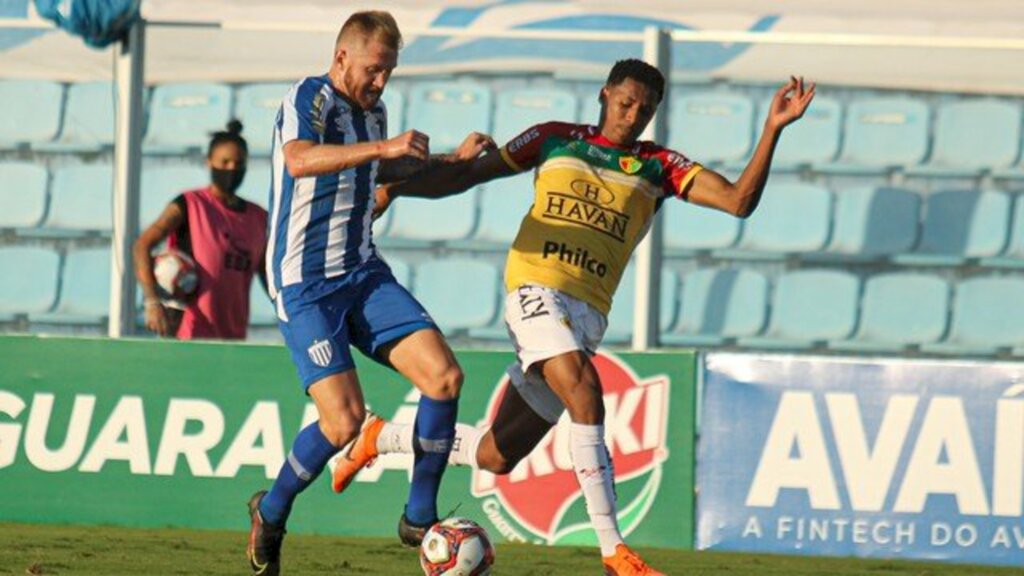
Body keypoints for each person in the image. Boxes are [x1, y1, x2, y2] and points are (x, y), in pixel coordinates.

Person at [332, 60, 816, 575]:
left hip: (586, 317)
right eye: (626, 102)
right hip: (535, 289)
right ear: (605, 95)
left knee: (498, 454)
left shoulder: (658, 167)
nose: (633, 116)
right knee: (585, 393)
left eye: (645, 109)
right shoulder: (554, 139)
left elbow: (739, 202)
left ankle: (379, 436)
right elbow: (469, 175)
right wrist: (396, 186)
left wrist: (771, 129)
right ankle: (613, 550)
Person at [245, 11, 495, 576]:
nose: (382, 83)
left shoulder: (373, 112)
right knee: (343, 422)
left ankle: (418, 517)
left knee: (445, 377)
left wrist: (450, 162)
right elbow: (300, 159)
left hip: (361, 272)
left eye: (389, 72)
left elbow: (386, 177)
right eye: (375, 70)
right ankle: (274, 509)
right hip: (305, 284)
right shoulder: (309, 98)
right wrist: (384, 151)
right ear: (342, 59)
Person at [134, 120, 268, 341]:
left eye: (238, 163)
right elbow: (142, 245)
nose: (231, 169)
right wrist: (152, 301)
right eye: (224, 162)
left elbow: (266, 273)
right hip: (188, 333)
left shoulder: (258, 217)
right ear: (209, 162)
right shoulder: (189, 204)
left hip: (233, 337)